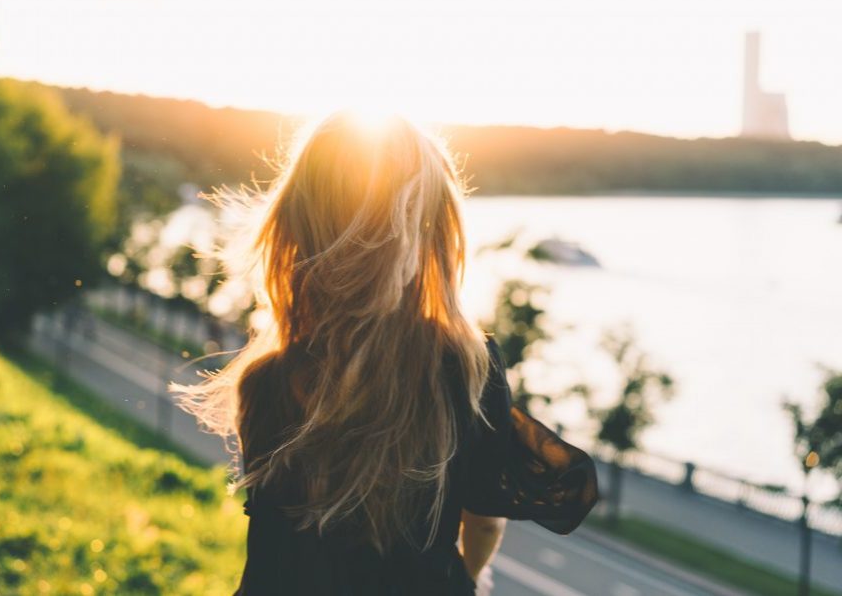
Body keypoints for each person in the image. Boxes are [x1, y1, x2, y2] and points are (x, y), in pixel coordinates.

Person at [171, 111, 598, 595]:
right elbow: (483, 521)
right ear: (432, 234)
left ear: (295, 224)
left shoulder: (263, 380)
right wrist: (472, 577)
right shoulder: (466, 369)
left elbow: (282, 544)